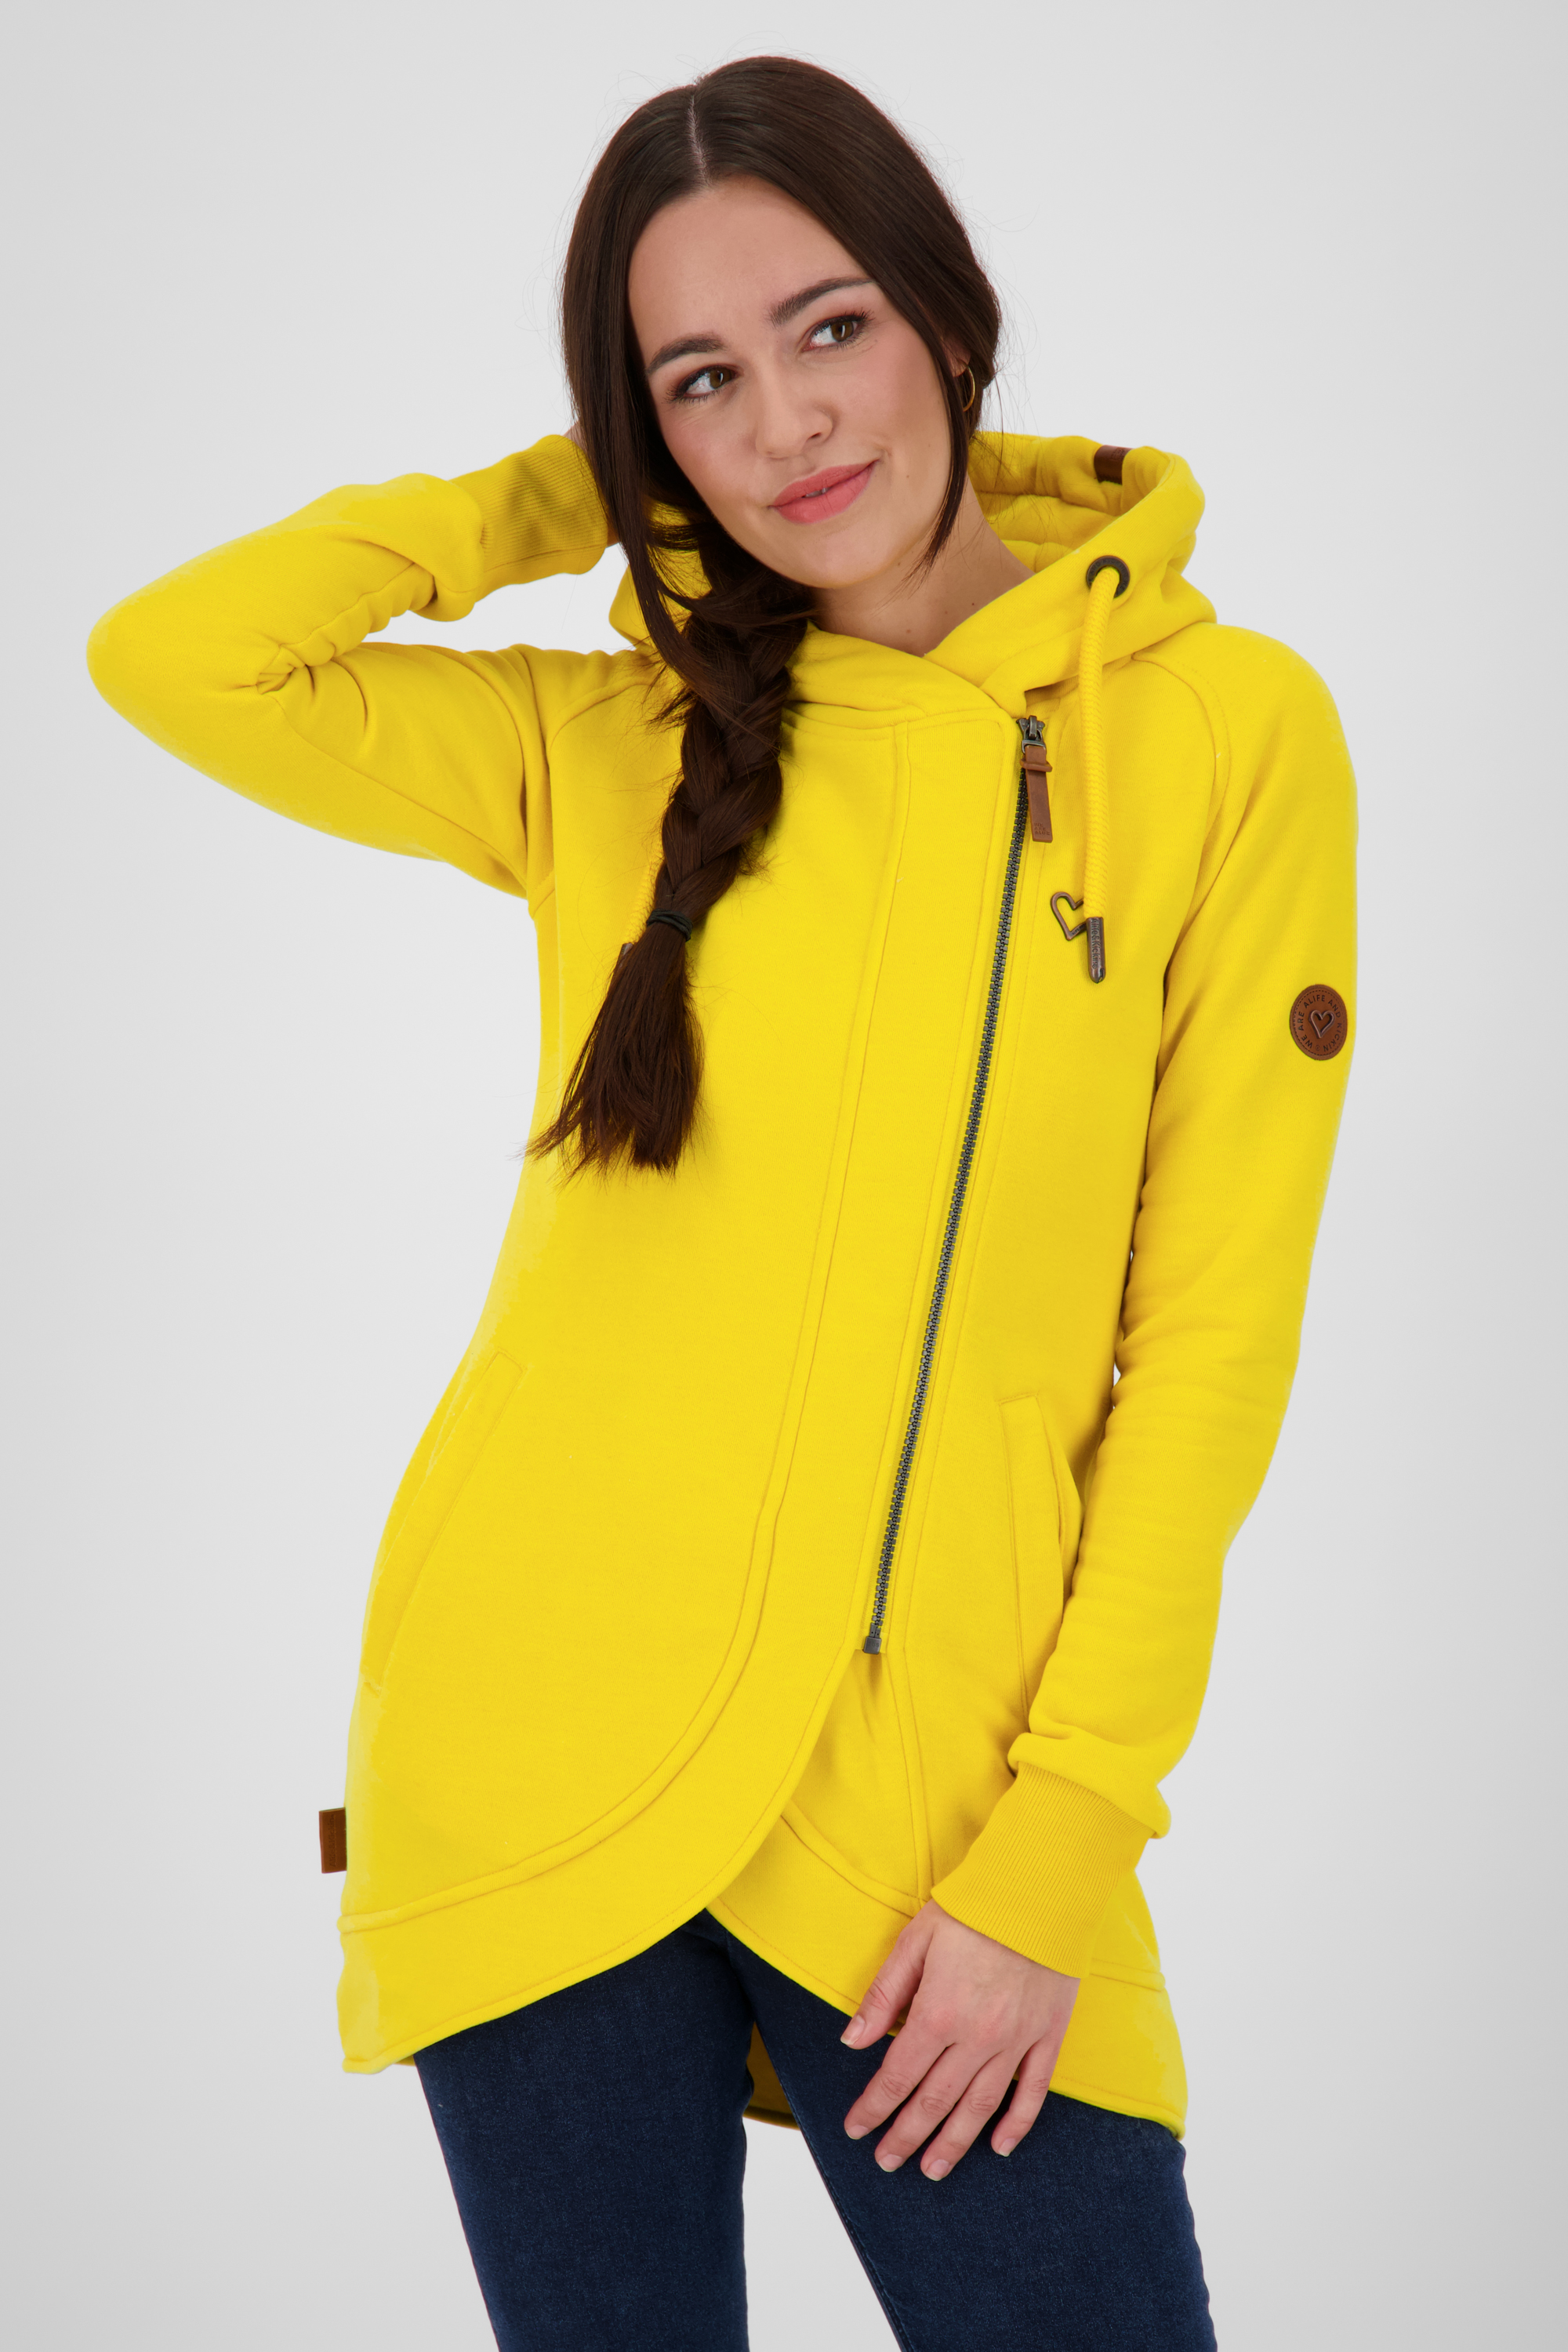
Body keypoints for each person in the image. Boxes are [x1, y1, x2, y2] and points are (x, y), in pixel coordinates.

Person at [87, 53, 1355, 2352]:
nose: (789, 424)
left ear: (949, 317)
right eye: (701, 379)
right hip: (538, 1762)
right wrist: (575, 484)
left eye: (828, 328)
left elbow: (1210, 1340)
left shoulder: (1223, 733)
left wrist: (1061, 1839)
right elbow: (175, 655)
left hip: (936, 1819)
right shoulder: (613, 739)